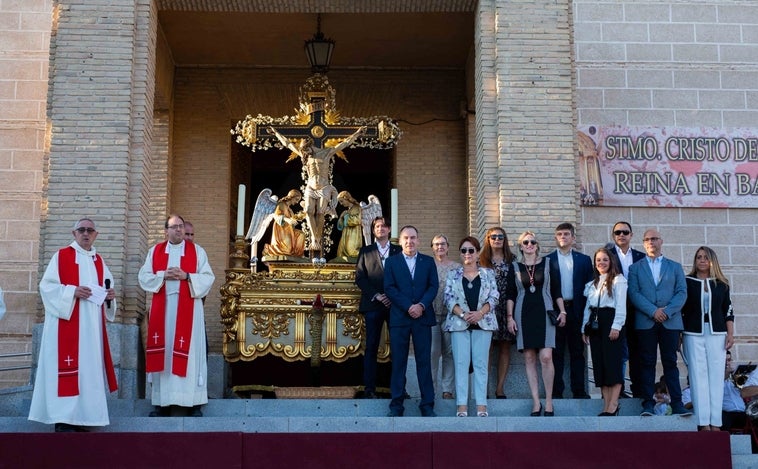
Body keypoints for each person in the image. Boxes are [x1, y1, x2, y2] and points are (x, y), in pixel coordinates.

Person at [28, 218, 118, 432]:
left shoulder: (99, 261)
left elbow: (107, 288)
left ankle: (85, 418)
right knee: (67, 369)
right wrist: (72, 292)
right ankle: (64, 418)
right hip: (65, 325)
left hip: (91, 329)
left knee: (88, 370)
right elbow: (46, 287)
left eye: (90, 230)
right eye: (81, 230)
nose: (85, 233)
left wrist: (109, 297)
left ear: (95, 234)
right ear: (74, 233)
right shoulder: (61, 256)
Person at [138, 214, 215, 417]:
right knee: (164, 354)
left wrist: (187, 276)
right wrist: (163, 275)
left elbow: (208, 278)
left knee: (191, 355)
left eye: (181, 226)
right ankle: (162, 403)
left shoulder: (197, 252)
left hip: (189, 312)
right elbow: (143, 277)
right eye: (174, 227)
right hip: (162, 314)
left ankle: (193, 403)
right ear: (166, 231)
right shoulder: (155, 252)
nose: (179, 230)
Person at [267, 125, 365, 252]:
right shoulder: (304, 154)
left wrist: (357, 133)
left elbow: (344, 144)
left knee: (320, 212)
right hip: (310, 187)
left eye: (305, 151)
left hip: (323, 187)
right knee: (308, 211)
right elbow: (288, 144)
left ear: (309, 146)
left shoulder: (327, 152)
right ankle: (314, 238)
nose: (303, 155)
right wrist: (276, 133)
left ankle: (317, 239)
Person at [628, 228, 689, 417]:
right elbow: (634, 293)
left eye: (654, 239)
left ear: (661, 241)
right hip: (646, 322)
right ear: (643, 243)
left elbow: (681, 292)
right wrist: (653, 311)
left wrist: (667, 311)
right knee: (646, 363)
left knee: (670, 363)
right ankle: (648, 403)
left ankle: (677, 403)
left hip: (670, 322)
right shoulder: (635, 268)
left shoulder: (675, 266)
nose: (651, 242)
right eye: (647, 239)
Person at [506, 231, 565, 417]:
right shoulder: (514, 267)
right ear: (521, 246)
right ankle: (536, 402)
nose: (529, 244)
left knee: (546, 356)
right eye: (526, 242)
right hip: (523, 313)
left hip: (545, 312)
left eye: (532, 242)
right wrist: (509, 317)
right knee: (529, 357)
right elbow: (510, 294)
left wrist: (562, 311)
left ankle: (548, 401)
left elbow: (556, 290)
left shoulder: (548, 264)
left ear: (537, 245)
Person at [384, 225, 438, 417]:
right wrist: (409, 306)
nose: (410, 241)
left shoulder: (428, 261)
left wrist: (421, 305)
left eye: (413, 238)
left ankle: (427, 405)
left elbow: (433, 287)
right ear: (400, 241)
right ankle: (396, 405)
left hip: (422, 318)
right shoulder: (391, 262)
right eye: (406, 238)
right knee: (399, 362)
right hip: (400, 318)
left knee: (424, 362)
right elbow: (389, 288)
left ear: (419, 240)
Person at [443, 237, 498, 417]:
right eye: (464, 250)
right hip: (459, 324)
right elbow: (448, 298)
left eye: (471, 250)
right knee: (461, 364)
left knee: (481, 365)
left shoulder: (488, 274)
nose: (467, 254)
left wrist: (480, 313)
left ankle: (482, 405)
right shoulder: (453, 274)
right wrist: (463, 314)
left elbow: (494, 297)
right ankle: (461, 406)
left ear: (477, 253)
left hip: (483, 323)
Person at [682, 246, 735, 431]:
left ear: (712, 260)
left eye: (705, 257)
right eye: (698, 257)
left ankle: (716, 423)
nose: (702, 260)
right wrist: (680, 334)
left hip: (717, 333)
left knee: (716, 377)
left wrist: (730, 333)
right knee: (698, 376)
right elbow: (682, 309)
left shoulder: (722, 284)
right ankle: (702, 422)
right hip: (692, 333)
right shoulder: (687, 281)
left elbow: (728, 310)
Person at [354, 216, 401, 398]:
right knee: (371, 347)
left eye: (384, 226)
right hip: (373, 304)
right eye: (377, 226)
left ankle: (399, 389)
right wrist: (378, 295)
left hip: (395, 306)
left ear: (389, 229)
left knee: (398, 347)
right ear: (373, 230)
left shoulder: (398, 250)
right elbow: (360, 277)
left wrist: (391, 296)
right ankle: (369, 389)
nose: (381, 229)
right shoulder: (365, 251)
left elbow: (403, 276)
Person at [546, 222, 593, 399]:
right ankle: (557, 391)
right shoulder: (548, 260)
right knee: (556, 353)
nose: (563, 237)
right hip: (556, 312)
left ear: (573, 237)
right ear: (555, 237)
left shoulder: (584, 260)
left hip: (577, 310)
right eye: (559, 234)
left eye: (566, 234)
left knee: (577, 353)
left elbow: (590, 288)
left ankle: (579, 391)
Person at [582, 247, 627, 416]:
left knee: (612, 363)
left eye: (605, 260)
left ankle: (614, 403)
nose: (601, 263)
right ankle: (606, 404)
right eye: (598, 260)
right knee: (600, 364)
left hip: (611, 321)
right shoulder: (593, 283)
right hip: (595, 324)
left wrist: (616, 326)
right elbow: (588, 307)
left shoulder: (618, 280)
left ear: (611, 262)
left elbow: (621, 306)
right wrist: (584, 328)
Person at [605, 221, 646, 398]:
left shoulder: (641, 256)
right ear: (613, 235)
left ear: (631, 235)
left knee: (637, 353)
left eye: (625, 232)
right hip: (615, 311)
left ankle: (638, 391)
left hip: (637, 311)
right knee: (617, 354)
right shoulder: (607, 255)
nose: (621, 235)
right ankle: (618, 391)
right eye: (617, 232)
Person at [479, 227, 515, 399]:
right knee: (486, 348)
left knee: (505, 348)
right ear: (488, 239)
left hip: (506, 309)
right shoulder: (481, 261)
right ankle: (483, 388)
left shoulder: (512, 260)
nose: (497, 239)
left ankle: (500, 388)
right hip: (486, 309)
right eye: (493, 237)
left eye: (501, 236)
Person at [430, 234, 459, 399]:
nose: (440, 247)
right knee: (433, 352)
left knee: (449, 352)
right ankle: (431, 388)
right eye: (436, 244)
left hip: (450, 316)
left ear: (448, 246)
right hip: (432, 314)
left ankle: (447, 389)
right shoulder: (428, 265)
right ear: (432, 247)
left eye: (442, 244)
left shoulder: (456, 267)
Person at [262, 189, 306, 257]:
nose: (297, 202)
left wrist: (302, 215)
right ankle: (269, 249)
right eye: (296, 199)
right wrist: (288, 220)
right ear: (292, 196)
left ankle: (297, 254)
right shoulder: (281, 204)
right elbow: (276, 216)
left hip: (289, 230)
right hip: (281, 230)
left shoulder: (290, 209)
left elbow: (294, 219)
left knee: (301, 235)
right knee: (287, 250)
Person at [335, 191, 363, 259]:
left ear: (346, 198)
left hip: (354, 234)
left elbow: (358, 220)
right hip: (346, 234)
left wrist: (346, 217)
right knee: (340, 252)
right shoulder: (347, 210)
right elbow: (340, 227)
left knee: (352, 251)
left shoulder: (357, 207)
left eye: (342, 201)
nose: (341, 204)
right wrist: (341, 217)